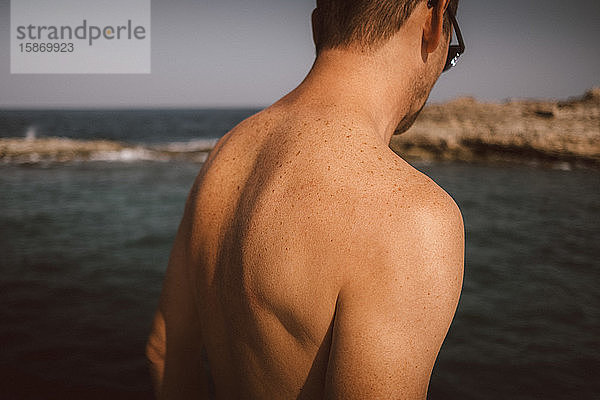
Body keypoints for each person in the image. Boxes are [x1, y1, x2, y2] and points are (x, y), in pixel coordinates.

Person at [146, 0, 465, 398]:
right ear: (434, 19)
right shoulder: (412, 216)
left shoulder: (225, 154)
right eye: (454, 50)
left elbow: (164, 351)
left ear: (318, 25)